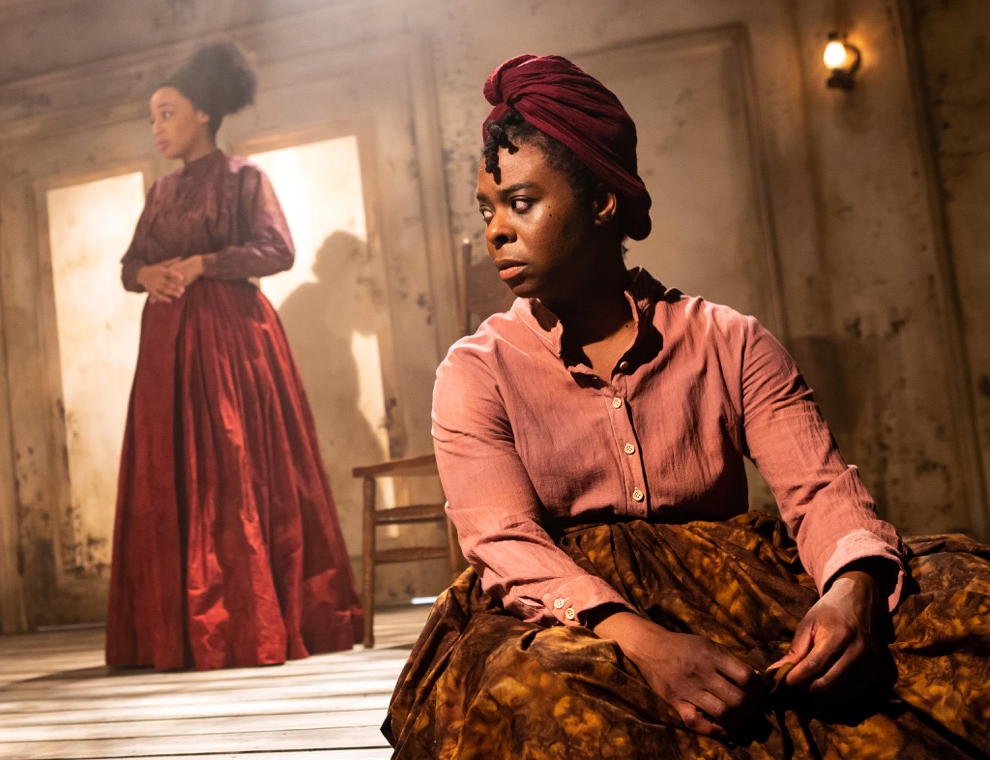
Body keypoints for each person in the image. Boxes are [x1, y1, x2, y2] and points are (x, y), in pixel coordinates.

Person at [383, 54, 990, 758]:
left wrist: (849, 589)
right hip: (568, 617)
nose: (495, 230)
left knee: (969, 599)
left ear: (602, 201)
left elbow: (820, 492)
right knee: (537, 698)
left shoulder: (729, 341)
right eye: (487, 209)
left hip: (733, 589)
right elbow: (506, 544)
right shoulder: (475, 371)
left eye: (521, 203)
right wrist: (646, 645)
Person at [106, 42, 362, 672]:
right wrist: (149, 276)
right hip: (166, 354)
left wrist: (203, 265)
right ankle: (178, 631)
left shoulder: (245, 178)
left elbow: (277, 250)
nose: (157, 127)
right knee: (174, 476)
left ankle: (248, 622)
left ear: (202, 113)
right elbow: (126, 265)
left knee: (235, 469)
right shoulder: (161, 193)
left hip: (232, 348)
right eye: (152, 117)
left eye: (167, 113)